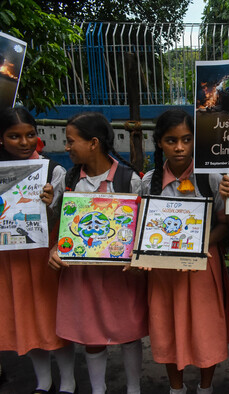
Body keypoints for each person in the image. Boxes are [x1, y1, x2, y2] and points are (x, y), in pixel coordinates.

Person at [139, 109, 229, 394]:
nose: (180, 147)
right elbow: (143, 229)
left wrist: (201, 244)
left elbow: (225, 226)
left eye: (186, 139)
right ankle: (176, 388)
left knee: (206, 330)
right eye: (171, 140)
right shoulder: (148, 182)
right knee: (167, 328)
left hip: (203, 268)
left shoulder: (213, 178)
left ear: (196, 140)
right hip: (163, 272)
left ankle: (205, 387)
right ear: (159, 143)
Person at [48, 112, 146, 394]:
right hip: (84, 274)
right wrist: (56, 248)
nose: (67, 147)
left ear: (93, 143)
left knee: (129, 334)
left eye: (70, 141)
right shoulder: (70, 181)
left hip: (122, 275)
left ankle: (133, 388)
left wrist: (138, 256)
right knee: (91, 335)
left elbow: (141, 226)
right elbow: (63, 227)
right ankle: (97, 389)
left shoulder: (130, 180)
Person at [0, 107, 77, 394]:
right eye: (14, 136)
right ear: (1, 139)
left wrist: (49, 204)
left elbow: (65, 217)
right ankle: (43, 381)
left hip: (45, 254)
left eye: (30, 134)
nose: (24, 142)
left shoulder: (52, 170)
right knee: (25, 316)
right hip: (10, 256)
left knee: (53, 317)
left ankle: (68, 381)